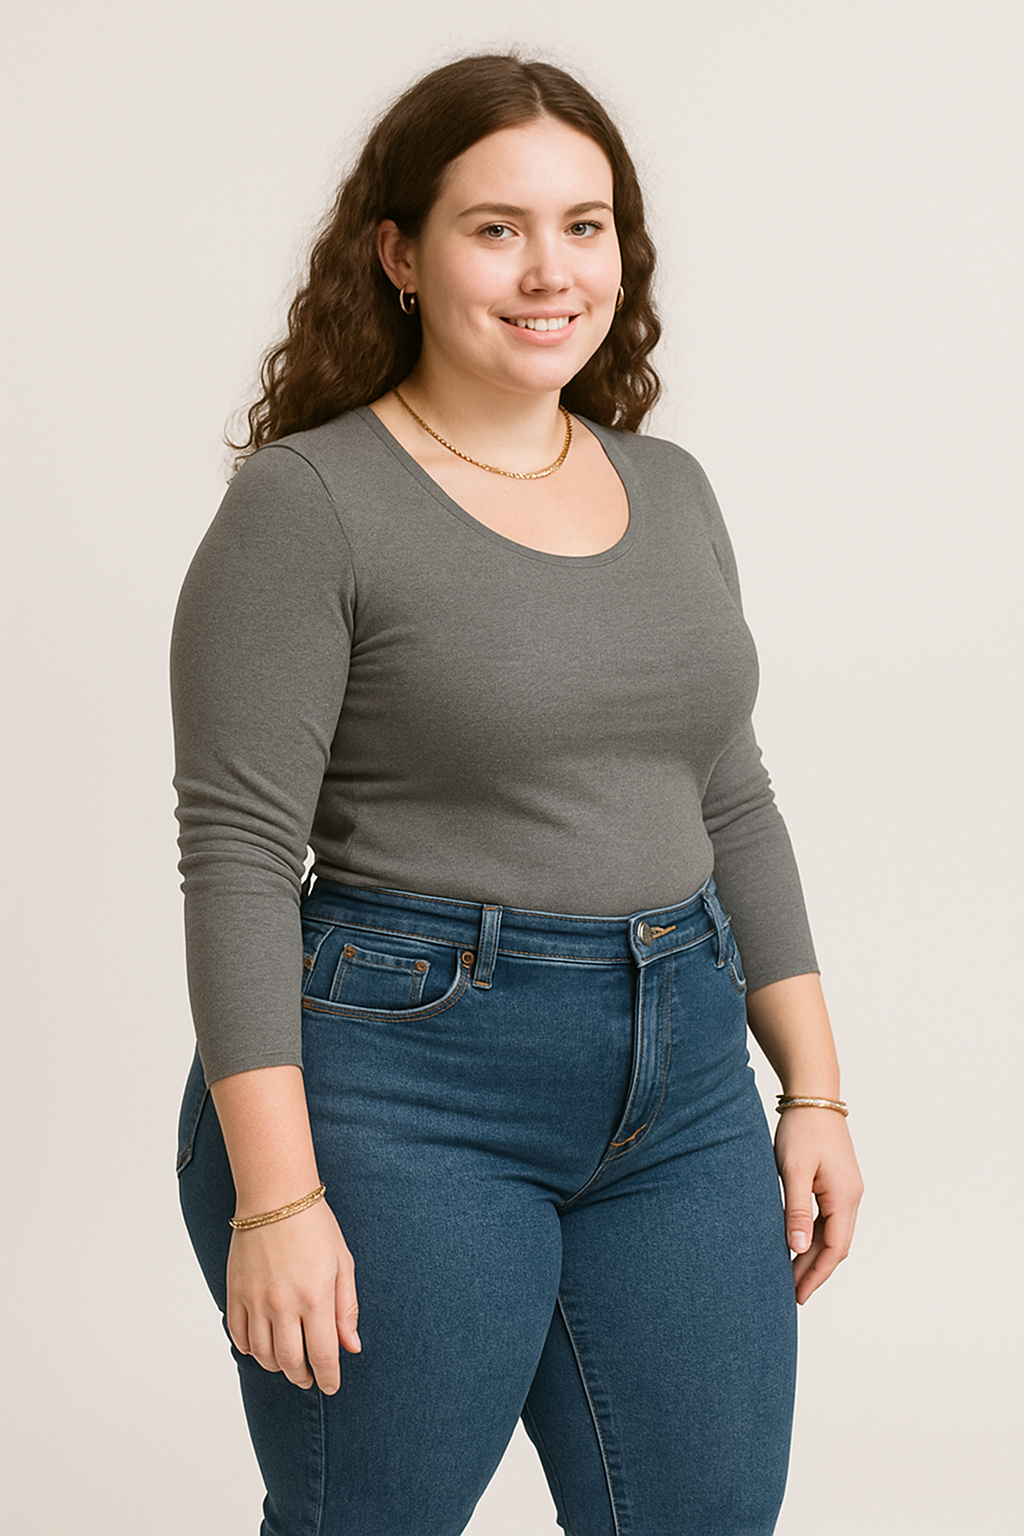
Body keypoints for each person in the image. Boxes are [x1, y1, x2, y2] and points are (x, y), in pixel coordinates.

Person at [171, 52, 863, 1536]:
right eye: (497, 228)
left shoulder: (668, 488)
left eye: (585, 225)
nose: (552, 270)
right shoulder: (310, 503)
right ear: (399, 254)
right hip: (400, 1091)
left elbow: (729, 794)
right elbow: (237, 853)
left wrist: (812, 1088)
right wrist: (277, 1199)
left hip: (685, 1088)